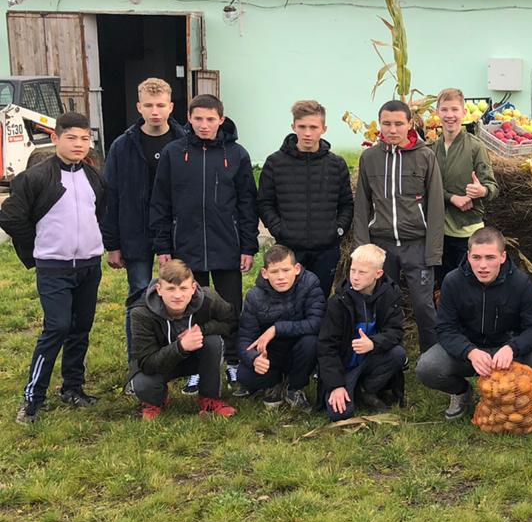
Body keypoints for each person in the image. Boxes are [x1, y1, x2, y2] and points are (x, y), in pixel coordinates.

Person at [2, 112, 105, 424]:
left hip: (89, 264)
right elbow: (10, 217)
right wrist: (39, 245)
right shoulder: (36, 177)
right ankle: (33, 397)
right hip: (54, 267)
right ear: (56, 138)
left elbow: (100, 214)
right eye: (71, 138)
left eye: (84, 138)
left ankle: (73, 388)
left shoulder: (94, 177)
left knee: (80, 328)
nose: (78, 144)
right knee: (57, 327)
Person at [150, 93, 257, 392]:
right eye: (198, 119)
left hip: (227, 245)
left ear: (221, 119)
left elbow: (247, 203)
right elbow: (160, 202)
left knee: (229, 306)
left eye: (210, 119)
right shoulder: (174, 153)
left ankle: (233, 362)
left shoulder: (237, 154)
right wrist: (163, 246)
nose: (204, 125)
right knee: (191, 307)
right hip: (185, 246)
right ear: (189, 119)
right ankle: (196, 366)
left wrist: (248, 246)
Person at [416, 226, 532, 420]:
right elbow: (445, 328)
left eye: (490, 257)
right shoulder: (453, 281)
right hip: (469, 351)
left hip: (507, 352)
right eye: (476, 257)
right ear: (468, 256)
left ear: (502, 257)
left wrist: (512, 348)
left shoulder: (520, 282)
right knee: (428, 367)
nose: (483, 265)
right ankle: (462, 391)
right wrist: (470, 351)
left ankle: (516, 392)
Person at [102, 77, 184, 374]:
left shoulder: (184, 142)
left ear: (171, 106)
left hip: (174, 234)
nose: (155, 111)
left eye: (160, 105)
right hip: (134, 233)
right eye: (149, 106)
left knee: (179, 294)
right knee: (139, 295)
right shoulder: (122, 146)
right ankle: (137, 364)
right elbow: (110, 196)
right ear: (139, 107)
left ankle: (179, 360)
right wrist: (112, 244)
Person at [352, 99, 444, 349]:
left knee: (423, 305)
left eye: (398, 124)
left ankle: (431, 355)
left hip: (416, 244)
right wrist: (362, 250)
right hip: (382, 245)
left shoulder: (425, 156)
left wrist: (433, 252)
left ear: (410, 124)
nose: (392, 130)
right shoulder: (370, 157)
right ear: (379, 124)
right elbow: (362, 205)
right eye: (386, 124)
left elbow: (436, 207)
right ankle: (387, 352)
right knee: (383, 301)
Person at [256, 100, 354, 297]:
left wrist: (337, 230)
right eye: (302, 127)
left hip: (326, 250)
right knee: (288, 301)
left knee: (319, 301)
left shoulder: (336, 164)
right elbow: (265, 203)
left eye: (313, 127)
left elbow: (346, 204)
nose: (307, 133)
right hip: (289, 250)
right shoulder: (275, 163)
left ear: (324, 129)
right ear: (293, 127)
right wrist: (279, 230)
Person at [128, 258, 238, 419]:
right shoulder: (140, 313)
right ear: (159, 289)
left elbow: (231, 322)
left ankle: (210, 398)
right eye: (170, 289)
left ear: (193, 288)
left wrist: (203, 329)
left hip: (196, 358)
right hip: (159, 362)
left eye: (183, 288)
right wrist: (181, 346)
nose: (177, 295)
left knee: (213, 342)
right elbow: (146, 362)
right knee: (143, 383)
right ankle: (156, 401)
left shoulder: (208, 298)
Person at [316, 243, 408, 422]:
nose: (355, 277)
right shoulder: (338, 301)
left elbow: (396, 331)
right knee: (340, 415)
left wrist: (373, 343)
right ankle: (351, 389)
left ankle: (367, 389)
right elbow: (326, 346)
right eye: (353, 270)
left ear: (378, 274)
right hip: (344, 367)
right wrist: (336, 385)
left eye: (362, 272)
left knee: (398, 353)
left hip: (371, 361)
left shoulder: (390, 294)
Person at [235, 243, 326, 410]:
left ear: (297, 269)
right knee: (244, 376)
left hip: (299, 349)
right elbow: (244, 339)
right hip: (270, 352)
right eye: (274, 272)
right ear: (265, 273)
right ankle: (274, 383)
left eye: (286, 270)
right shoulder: (254, 296)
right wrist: (254, 359)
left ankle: (294, 387)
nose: (281, 277)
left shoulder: (310, 283)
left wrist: (276, 329)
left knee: (311, 342)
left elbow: (317, 323)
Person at [431, 88, 498, 284]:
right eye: (444, 109)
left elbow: (492, 187)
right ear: (437, 113)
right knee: (443, 286)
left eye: (454, 109)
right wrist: (452, 198)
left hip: (467, 232)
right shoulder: (431, 149)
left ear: (464, 112)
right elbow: (427, 187)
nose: (449, 115)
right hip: (439, 233)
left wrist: (482, 190)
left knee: (467, 286)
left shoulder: (475, 147)